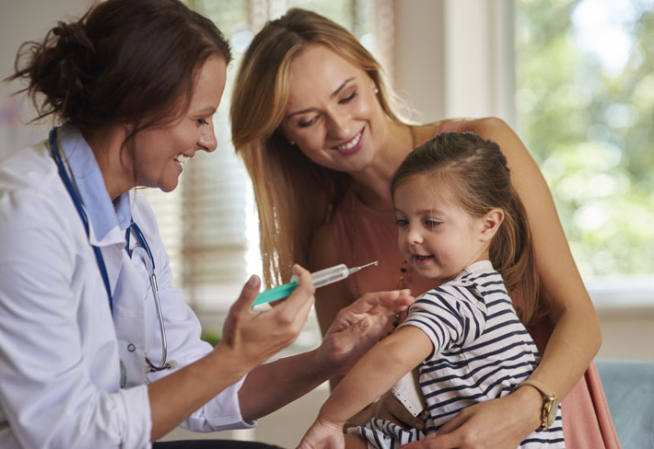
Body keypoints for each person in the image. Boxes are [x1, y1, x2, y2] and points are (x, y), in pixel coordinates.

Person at [0, 1, 414, 448]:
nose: (210, 141)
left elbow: (203, 393)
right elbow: (63, 434)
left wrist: (328, 358)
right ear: (136, 105)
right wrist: (235, 355)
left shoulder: (134, 220)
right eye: (200, 119)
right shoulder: (26, 218)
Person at [230, 8, 619, 448]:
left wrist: (526, 409)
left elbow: (580, 318)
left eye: (346, 95)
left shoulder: (484, 147)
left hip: (551, 420)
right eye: (307, 120)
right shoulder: (331, 242)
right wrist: (383, 402)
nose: (340, 127)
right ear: (286, 138)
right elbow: (349, 402)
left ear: (372, 76)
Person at [298, 132, 566, 449]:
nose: (412, 236)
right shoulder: (490, 292)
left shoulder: (456, 299)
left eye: (431, 222)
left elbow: (393, 356)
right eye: (402, 221)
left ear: (488, 225)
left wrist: (330, 420)